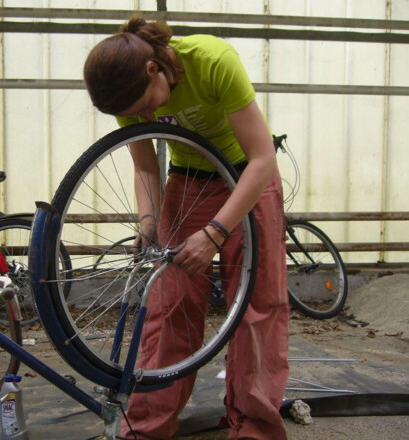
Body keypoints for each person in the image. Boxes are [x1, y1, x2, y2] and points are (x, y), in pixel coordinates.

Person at [83, 16, 289, 440]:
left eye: (145, 105)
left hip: (248, 179)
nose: (147, 115)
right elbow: (145, 166)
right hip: (188, 182)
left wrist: (215, 233)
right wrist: (149, 221)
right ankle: (145, 428)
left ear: (153, 69)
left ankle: (254, 429)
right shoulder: (129, 96)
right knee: (169, 308)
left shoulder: (213, 61)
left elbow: (263, 158)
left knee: (256, 310)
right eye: (137, 114)